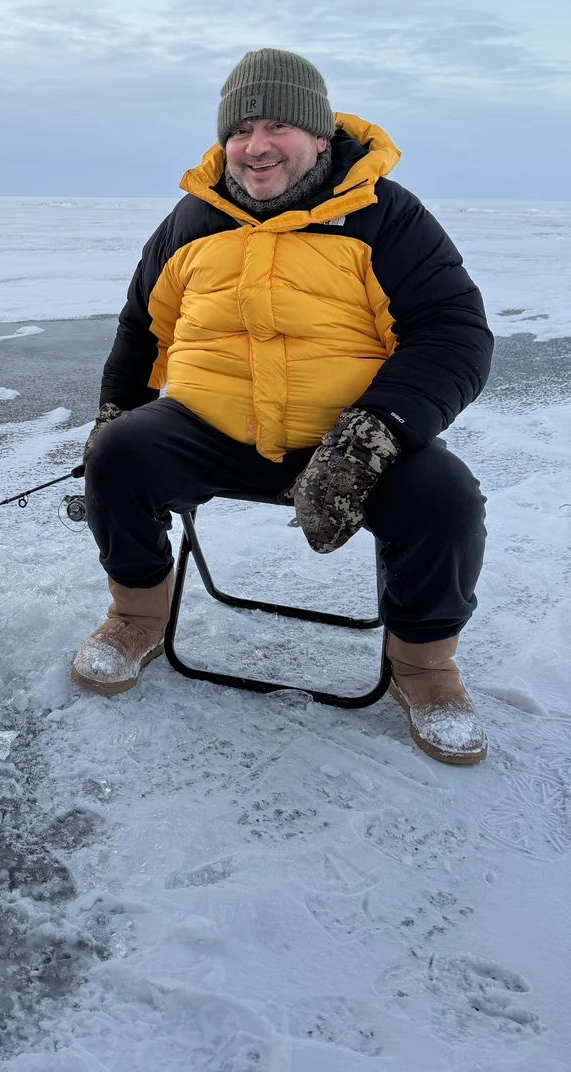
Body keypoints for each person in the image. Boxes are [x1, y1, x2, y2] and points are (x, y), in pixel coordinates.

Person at [75, 48, 492, 766]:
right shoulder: (191, 221)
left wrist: (371, 435)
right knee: (121, 456)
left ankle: (425, 667)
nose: (255, 146)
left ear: (319, 139)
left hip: (353, 438)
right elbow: (145, 326)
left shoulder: (385, 216)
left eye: (277, 128)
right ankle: (135, 617)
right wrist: (115, 411)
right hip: (211, 426)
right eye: (240, 131)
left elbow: (452, 334)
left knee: (445, 499)